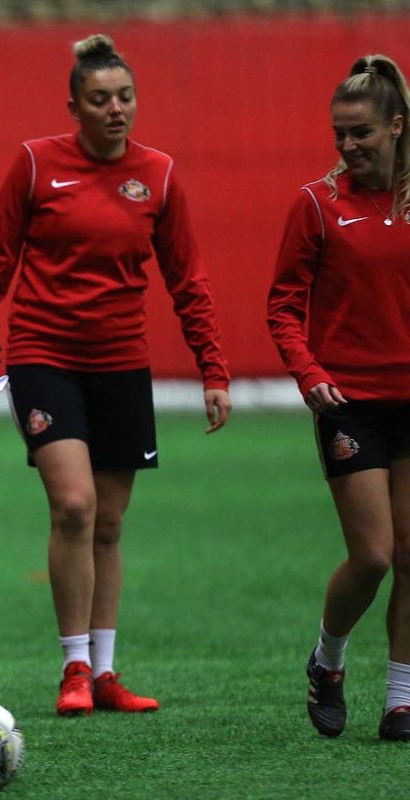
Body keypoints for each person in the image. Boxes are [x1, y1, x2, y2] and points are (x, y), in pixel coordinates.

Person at [0, 34, 232, 717]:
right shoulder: (35, 164)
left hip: (121, 363)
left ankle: (106, 675)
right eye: (101, 99)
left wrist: (213, 366)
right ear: (74, 105)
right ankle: (73, 667)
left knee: (109, 522)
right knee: (74, 505)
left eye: (125, 97)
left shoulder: (159, 175)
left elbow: (188, 280)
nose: (116, 109)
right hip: (44, 355)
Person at [268, 54, 410, 742]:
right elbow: (284, 308)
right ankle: (327, 661)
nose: (348, 146)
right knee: (375, 555)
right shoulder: (316, 205)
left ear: (396, 127)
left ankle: (402, 700)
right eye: (339, 135)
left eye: (361, 133)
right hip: (348, 402)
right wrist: (307, 371)